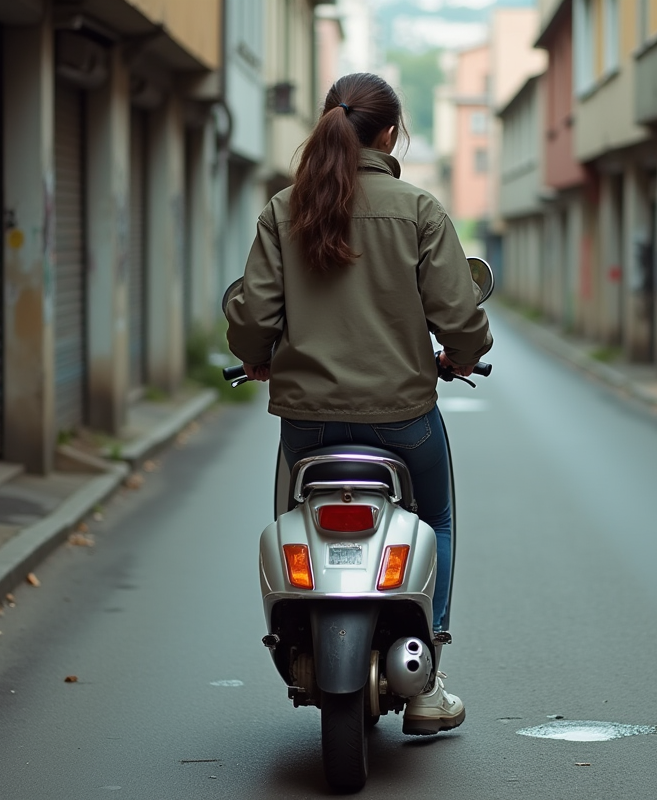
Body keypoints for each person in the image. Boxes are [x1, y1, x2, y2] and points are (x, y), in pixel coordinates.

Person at [223, 72, 492, 735]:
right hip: (404, 418)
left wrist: (256, 355)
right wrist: (460, 356)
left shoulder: (284, 209)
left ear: (327, 121)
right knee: (435, 519)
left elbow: (253, 315)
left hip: (308, 424)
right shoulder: (419, 209)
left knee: (294, 512)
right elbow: (459, 316)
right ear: (391, 134)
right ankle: (427, 678)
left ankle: (296, 623)